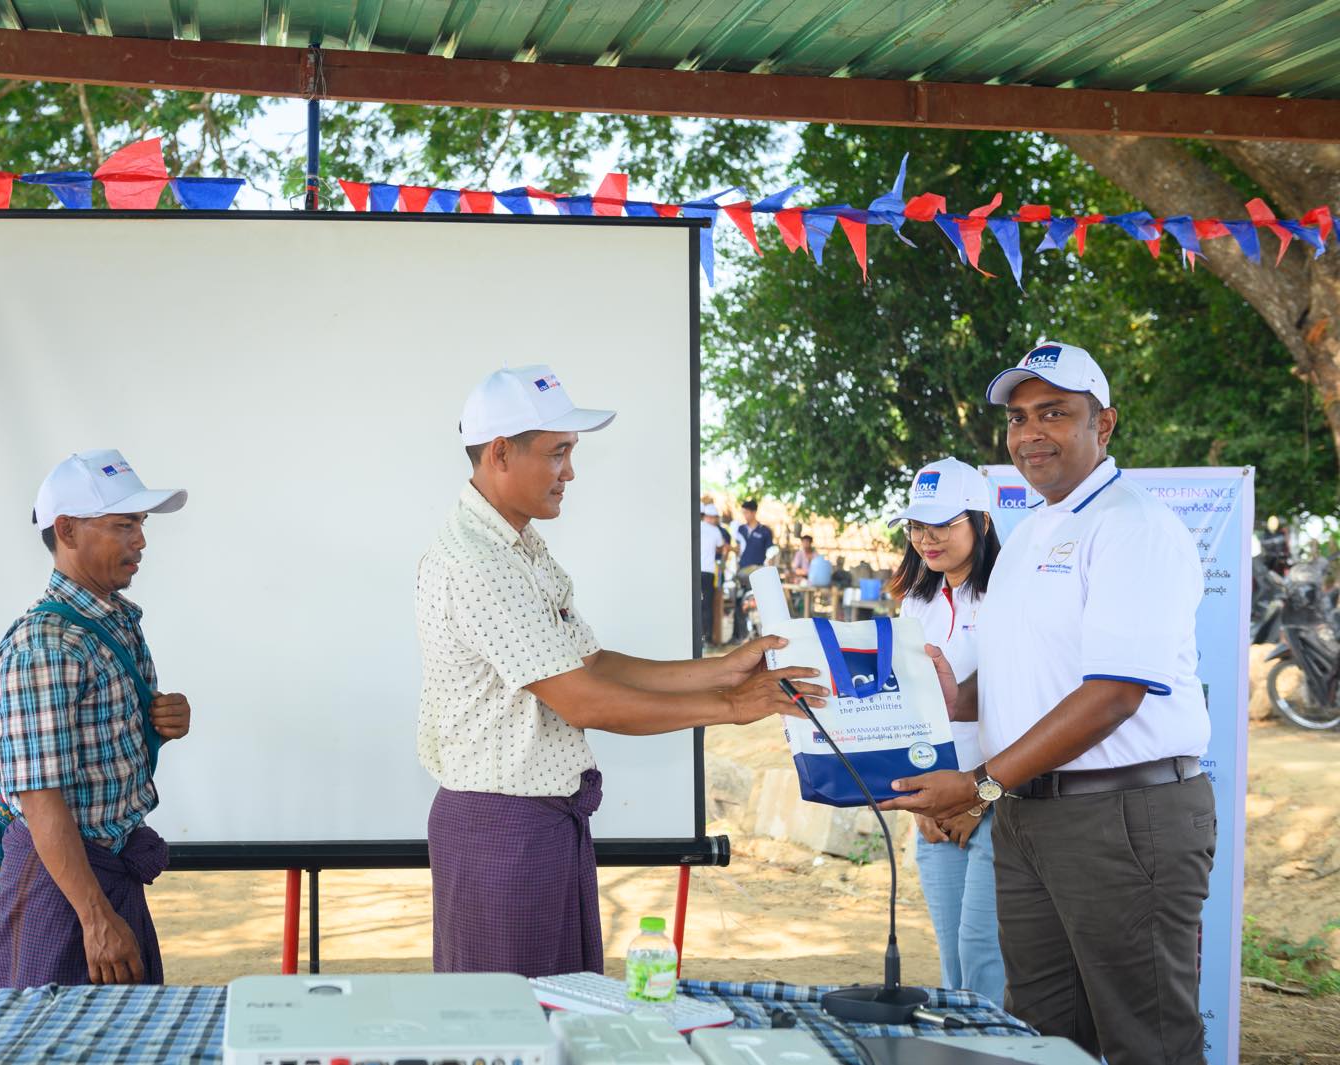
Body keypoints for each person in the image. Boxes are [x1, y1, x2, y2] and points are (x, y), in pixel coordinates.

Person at [416, 364, 824, 978]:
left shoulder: (519, 546)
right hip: (503, 829)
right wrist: (735, 707)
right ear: (500, 453)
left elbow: (591, 663)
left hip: (537, 823)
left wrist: (721, 671)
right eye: (558, 453)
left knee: (563, 1011)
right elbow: (583, 700)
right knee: (512, 1026)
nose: (570, 473)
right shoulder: (476, 561)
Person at [882, 342, 1214, 1065]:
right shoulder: (1030, 534)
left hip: (1122, 815)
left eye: (1055, 413)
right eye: (1020, 416)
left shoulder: (1134, 525)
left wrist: (978, 783)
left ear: (1106, 424)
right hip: (1029, 816)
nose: (1031, 432)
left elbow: (1112, 694)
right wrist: (946, 697)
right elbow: (1015, 678)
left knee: (1145, 1038)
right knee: (1040, 1036)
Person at [0, 449, 194, 989]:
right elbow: (39, 796)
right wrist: (96, 918)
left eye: (141, 525)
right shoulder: (45, 645)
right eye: (123, 525)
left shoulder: (111, 622)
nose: (141, 541)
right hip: (66, 894)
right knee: (52, 1044)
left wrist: (161, 721)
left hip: (100, 878)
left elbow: (95, 748)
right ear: (67, 531)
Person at [885, 456, 1005, 1008]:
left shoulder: (1010, 593)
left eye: (942, 523)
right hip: (933, 805)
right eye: (915, 525)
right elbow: (910, 708)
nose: (925, 538)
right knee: (955, 960)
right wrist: (922, 804)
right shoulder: (916, 601)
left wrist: (977, 800)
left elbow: (1025, 705)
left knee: (986, 956)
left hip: (999, 800)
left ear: (980, 522)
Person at [730, 500, 774, 643]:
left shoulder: (765, 531)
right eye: (743, 513)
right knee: (739, 603)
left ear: (754, 512)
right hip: (742, 574)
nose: (745, 515)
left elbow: (771, 553)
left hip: (758, 574)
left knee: (760, 604)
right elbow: (737, 549)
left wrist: (770, 571)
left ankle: (761, 635)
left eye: (747, 512)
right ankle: (740, 636)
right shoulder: (740, 529)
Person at [699, 503, 726, 648]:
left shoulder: (696, 526)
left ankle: (697, 637)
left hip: (695, 572)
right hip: (708, 572)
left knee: (695, 604)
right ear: (712, 517)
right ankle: (707, 638)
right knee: (707, 606)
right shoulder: (716, 531)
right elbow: (721, 547)